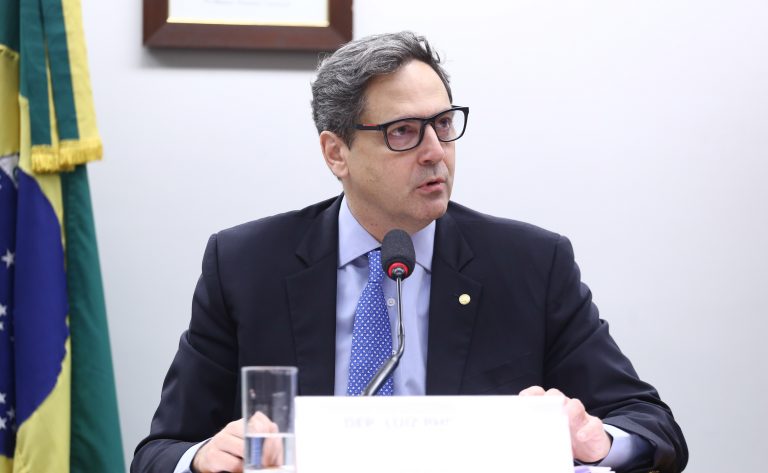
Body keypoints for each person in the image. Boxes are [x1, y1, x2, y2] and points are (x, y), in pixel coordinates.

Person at [131, 32, 688, 473]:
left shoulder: (531, 265)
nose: (435, 153)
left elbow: (651, 426)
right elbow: (161, 451)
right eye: (403, 132)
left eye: (443, 125)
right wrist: (203, 458)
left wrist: (597, 440)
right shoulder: (246, 265)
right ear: (336, 152)